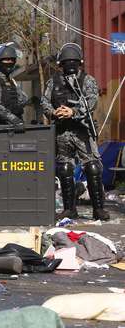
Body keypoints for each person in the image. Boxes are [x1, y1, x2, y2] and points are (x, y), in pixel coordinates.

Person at [40, 42, 109, 221]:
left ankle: (98, 209)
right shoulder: (53, 82)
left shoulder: (87, 80)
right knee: (64, 169)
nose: (70, 65)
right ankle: (69, 209)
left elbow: (92, 100)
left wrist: (74, 112)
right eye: (66, 62)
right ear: (60, 64)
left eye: (73, 62)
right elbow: (44, 102)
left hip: (82, 130)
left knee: (93, 168)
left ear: (79, 63)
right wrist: (54, 112)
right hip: (63, 132)